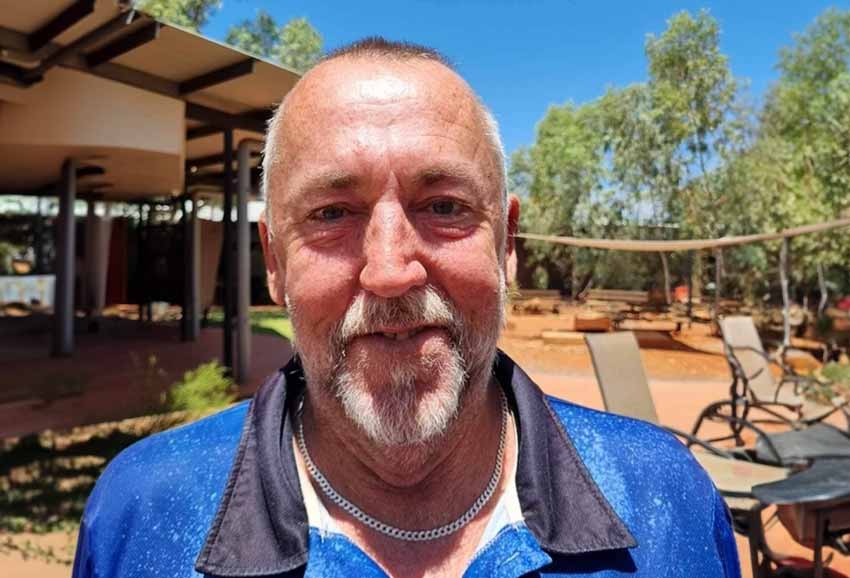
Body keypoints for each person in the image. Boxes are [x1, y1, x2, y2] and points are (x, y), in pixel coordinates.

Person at [72, 38, 741, 578]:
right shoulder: (143, 514)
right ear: (274, 260)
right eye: (332, 214)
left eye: (444, 207)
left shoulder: (663, 498)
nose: (391, 272)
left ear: (507, 246)